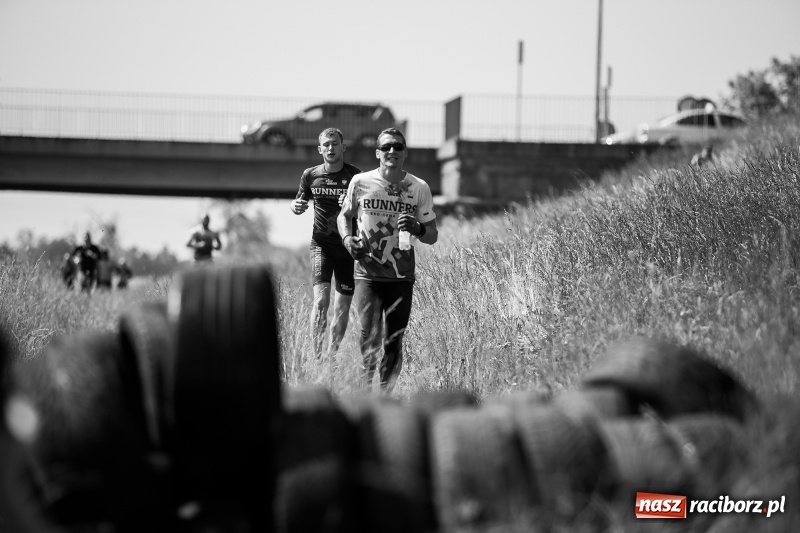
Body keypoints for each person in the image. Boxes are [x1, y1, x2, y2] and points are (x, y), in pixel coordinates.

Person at [337, 128, 438, 393]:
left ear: (405, 152)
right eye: (386, 147)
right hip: (367, 273)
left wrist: (417, 228)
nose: (392, 151)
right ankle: (364, 391)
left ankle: (384, 396)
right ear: (378, 153)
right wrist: (348, 240)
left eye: (397, 146)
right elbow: (343, 216)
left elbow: (432, 236)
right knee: (368, 337)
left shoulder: (419, 187)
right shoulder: (360, 182)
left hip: (401, 276)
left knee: (394, 341)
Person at [291, 128, 362, 360]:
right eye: (326, 145)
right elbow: (299, 201)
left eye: (335, 144)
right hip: (321, 245)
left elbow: (368, 210)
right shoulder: (310, 175)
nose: (330, 148)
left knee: (342, 309)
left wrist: (352, 204)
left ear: (343, 147)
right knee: (321, 301)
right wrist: (296, 207)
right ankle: (318, 357)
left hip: (348, 247)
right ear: (320, 149)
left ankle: (331, 357)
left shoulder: (356, 177)